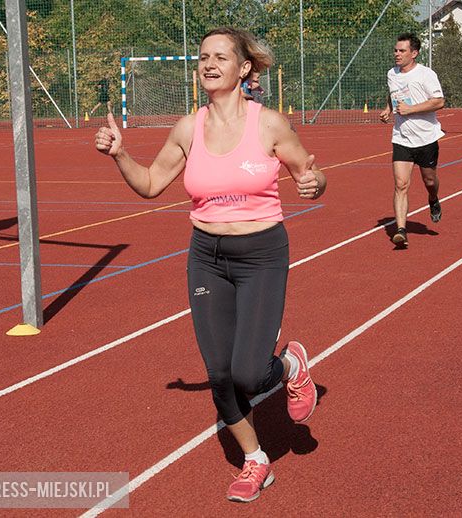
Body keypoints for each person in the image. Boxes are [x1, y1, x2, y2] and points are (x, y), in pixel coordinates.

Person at [94, 27, 326, 503]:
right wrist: (120, 155)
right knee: (219, 374)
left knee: (247, 373)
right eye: (203, 57)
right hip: (206, 258)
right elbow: (152, 183)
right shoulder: (188, 128)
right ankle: (255, 460)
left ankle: (289, 366)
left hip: (261, 255)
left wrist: (314, 184)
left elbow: (311, 173)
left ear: (244, 68)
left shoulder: (270, 125)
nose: (208, 64)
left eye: (220, 56)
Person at [379, 32, 445, 247]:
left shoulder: (426, 74)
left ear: (414, 53)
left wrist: (411, 109)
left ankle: (433, 199)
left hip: (426, 138)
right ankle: (400, 230)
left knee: (429, 181)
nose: (396, 54)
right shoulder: (392, 73)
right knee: (401, 184)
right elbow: (393, 92)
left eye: (402, 51)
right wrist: (388, 108)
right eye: (395, 50)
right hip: (402, 138)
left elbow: (439, 102)